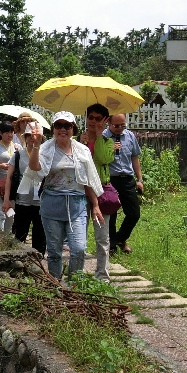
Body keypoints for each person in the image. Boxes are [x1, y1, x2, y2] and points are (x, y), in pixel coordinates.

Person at [27, 110, 103, 280]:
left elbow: (87, 179)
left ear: (73, 129)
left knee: (79, 248)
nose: (63, 129)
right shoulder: (46, 148)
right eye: (59, 125)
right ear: (53, 128)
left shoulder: (82, 151)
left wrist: (95, 205)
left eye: (67, 125)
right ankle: (56, 285)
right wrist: (36, 145)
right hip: (52, 203)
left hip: (77, 204)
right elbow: (35, 168)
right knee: (54, 251)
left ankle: (74, 283)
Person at [3, 113, 46, 255]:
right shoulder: (18, 155)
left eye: (36, 138)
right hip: (22, 200)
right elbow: (9, 178)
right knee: (20, 231)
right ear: (25, 138)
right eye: (29, 137)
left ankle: (38, 260)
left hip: (40, 200)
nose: (33, 140)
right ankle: (18, 258)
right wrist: (7, 200)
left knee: (40, 232)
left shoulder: (45, 155)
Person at [81, 103, 115, 280]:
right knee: (78, 236)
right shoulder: (79, 140)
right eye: (90, 117)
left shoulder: (108, 141)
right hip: (80, 191)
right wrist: (82, 143)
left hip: (100, 191)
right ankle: (77, 272)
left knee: (102, 237)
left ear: (104, 121)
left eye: (97, 118)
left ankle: (102, 274)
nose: (93, 121)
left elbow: (104, 159)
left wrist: (98, 137)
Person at [105, 114, 143, 255]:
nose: (120, 128)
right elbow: (99, 159)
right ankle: (111, 246)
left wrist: (140, 179)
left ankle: (119, 238)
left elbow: (135, 157)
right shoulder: (103, 137)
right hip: (111, 180)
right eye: (116, 125)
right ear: (109, 123)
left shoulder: (129, 136)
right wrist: (110, 150)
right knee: (111, 214)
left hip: (127, 179)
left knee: (134, 214)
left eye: (123, 125)